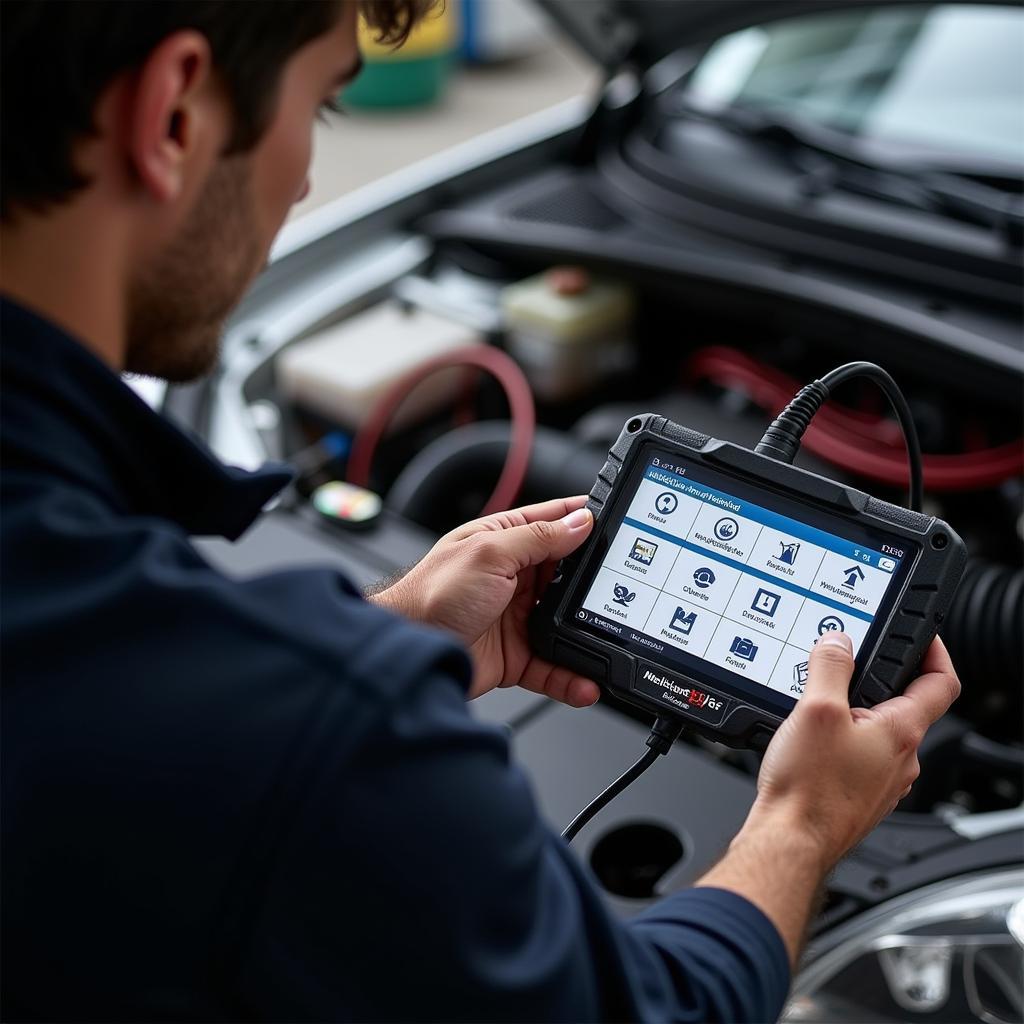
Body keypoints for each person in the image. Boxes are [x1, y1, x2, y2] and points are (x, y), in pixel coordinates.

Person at [0, 2, 961, 1020]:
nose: (307, 182)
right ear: (174, 115)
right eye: (324, 107)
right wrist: (802, 824)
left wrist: (388, 639)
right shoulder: (281, 709)